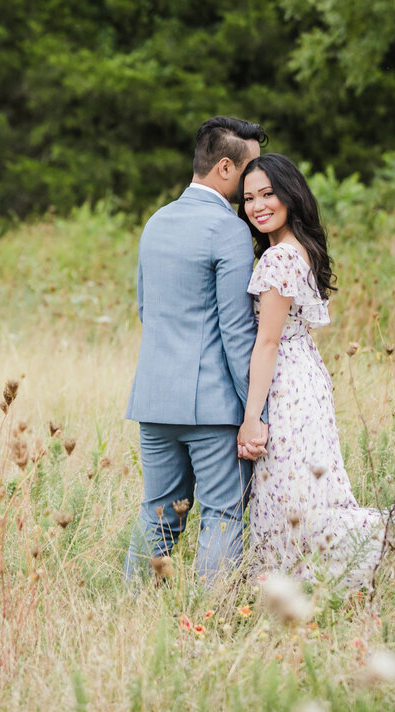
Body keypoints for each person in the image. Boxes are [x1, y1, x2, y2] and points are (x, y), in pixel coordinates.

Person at [235, 153, 395, 590]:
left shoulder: (277, 260)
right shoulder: (298, 249)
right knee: (302, 497)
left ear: (290, 195)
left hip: (286, 385)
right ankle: (298, 589)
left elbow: (268, 341)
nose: (257, 206)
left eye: (268, 194)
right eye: (249, 197)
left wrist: (252, 418)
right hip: (306, 378)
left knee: (295, 503)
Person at [124, 115, 269, 583]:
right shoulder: (226, 229)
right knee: (223, 514)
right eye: (251, 172)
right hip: (211, 406)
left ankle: (133, 611)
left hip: (154, 399)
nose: (256, 184)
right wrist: (256, 409)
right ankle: (210, 620)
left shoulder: (155, 222)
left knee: (158, 514)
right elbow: (236, 330)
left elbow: (147, 309)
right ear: (226, 167)